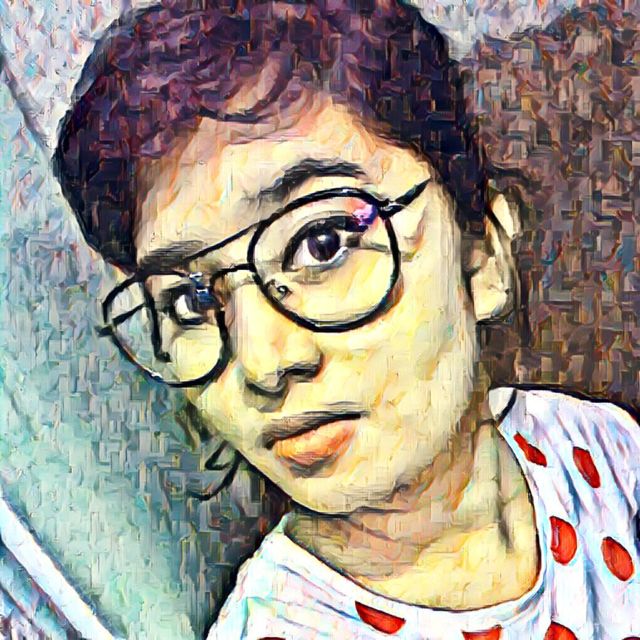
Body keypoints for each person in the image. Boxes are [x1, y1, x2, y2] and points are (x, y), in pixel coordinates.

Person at [54, 0, 640, 638]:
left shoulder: (591, 449)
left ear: (482, 257)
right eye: (191, 302)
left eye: (323, 242)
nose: (264, 364)